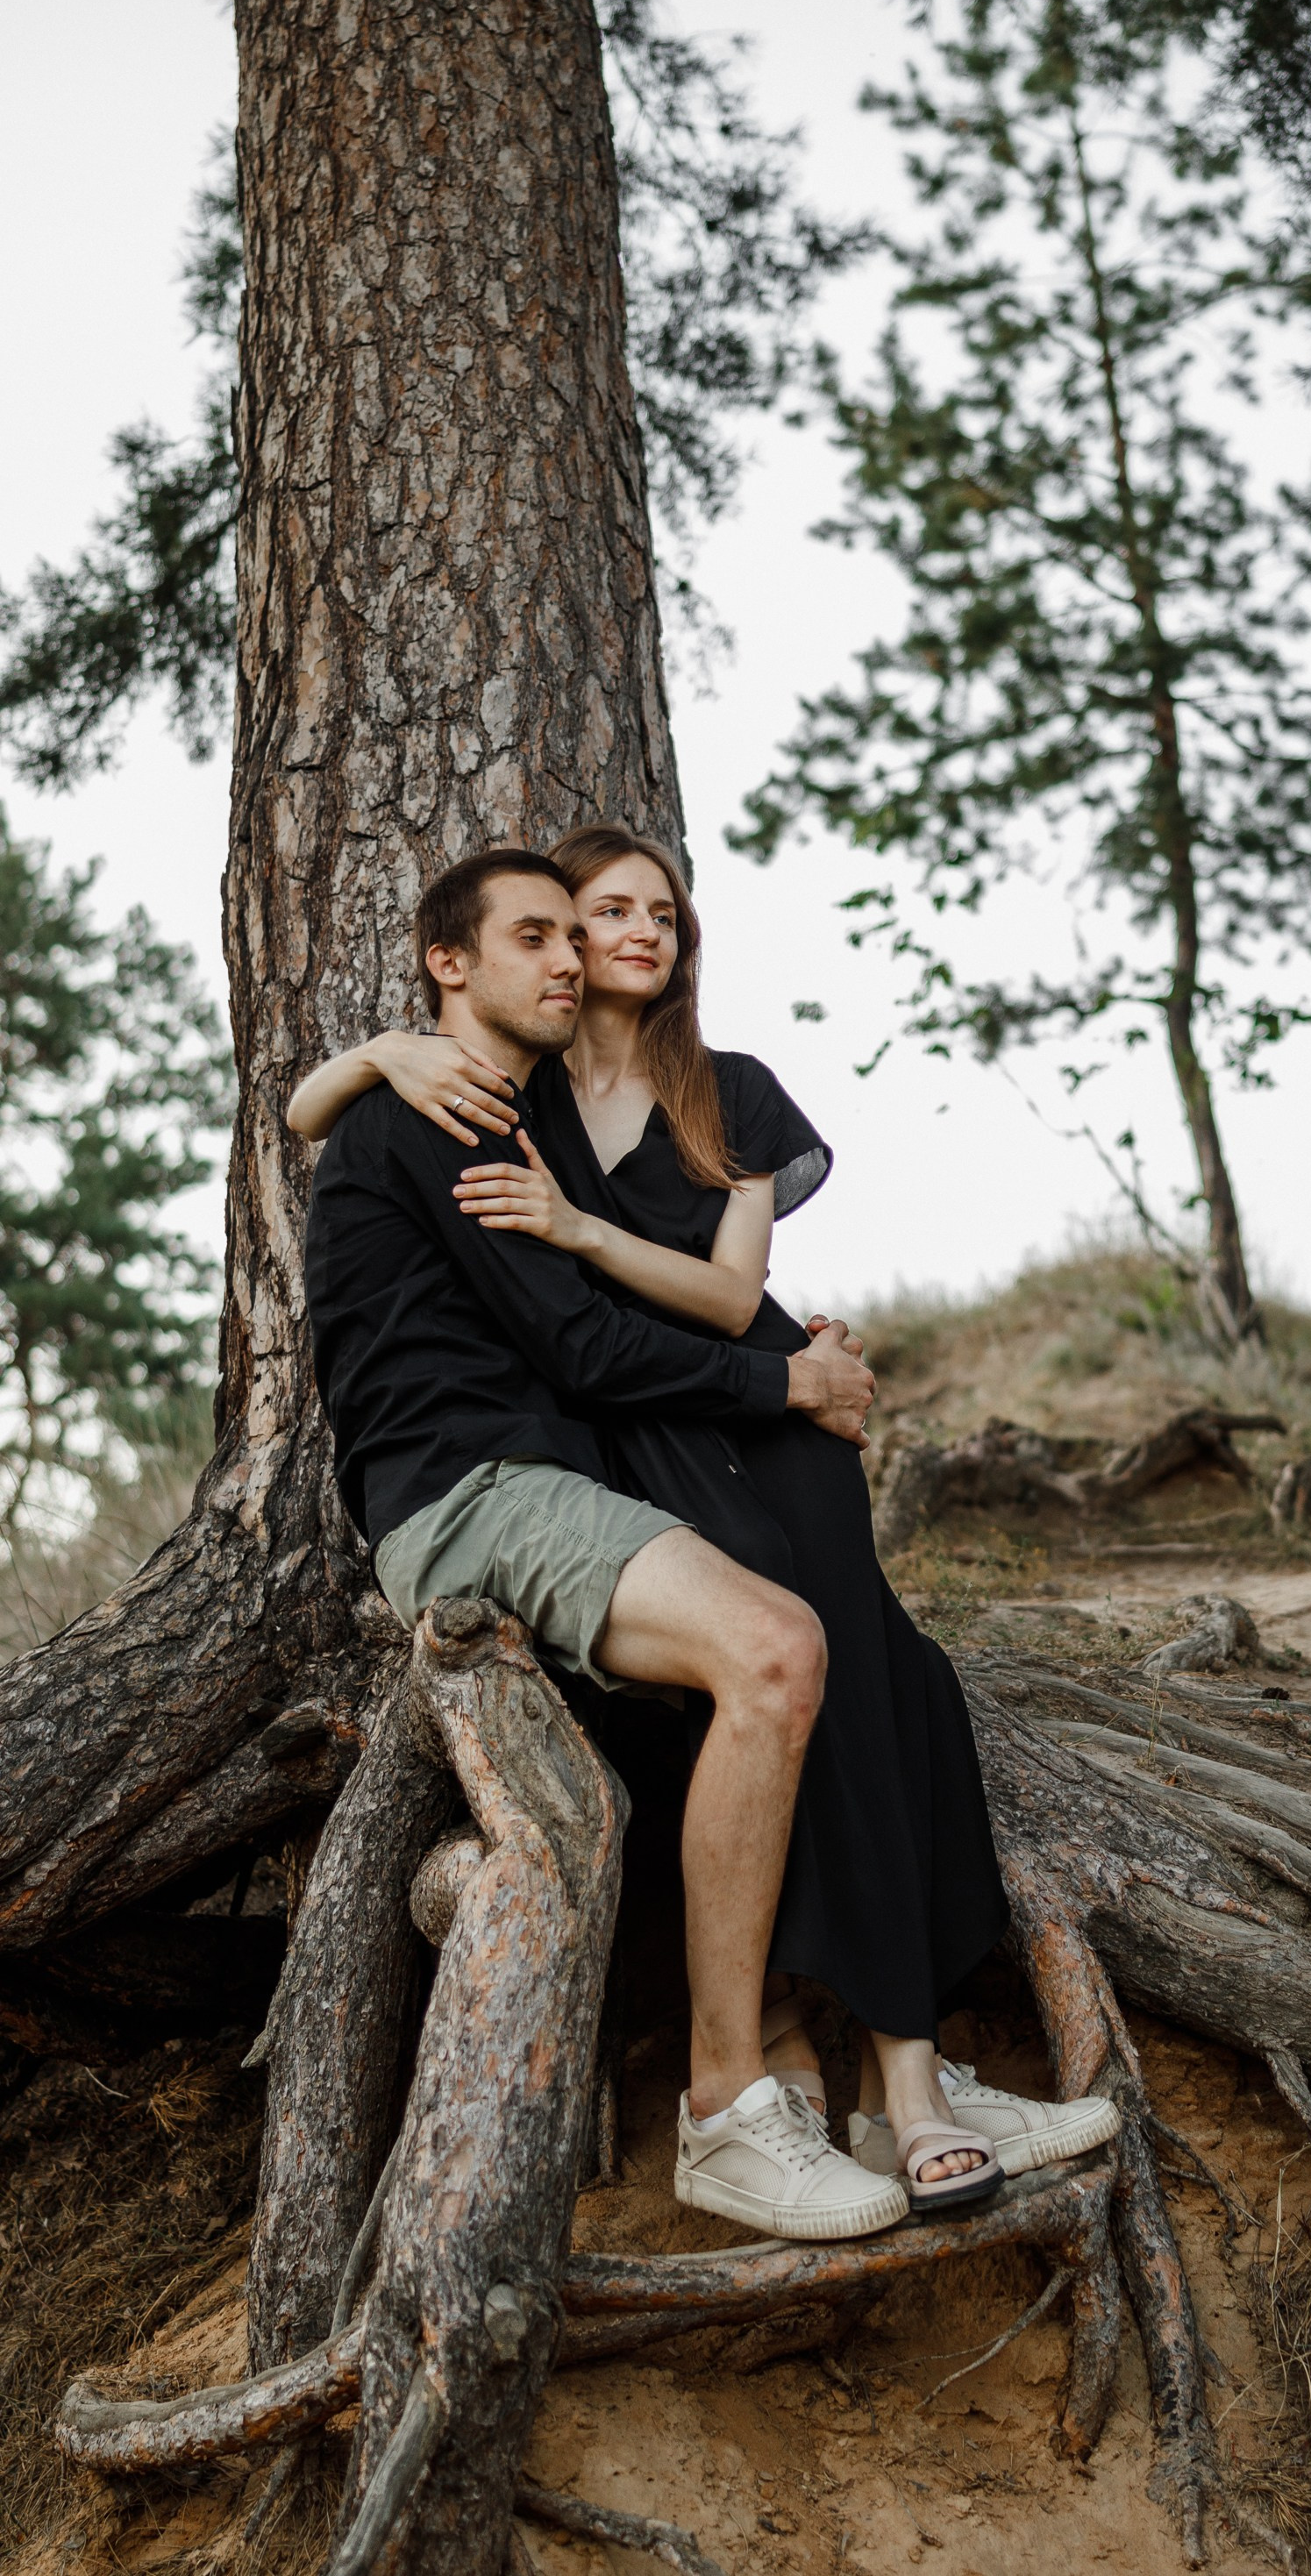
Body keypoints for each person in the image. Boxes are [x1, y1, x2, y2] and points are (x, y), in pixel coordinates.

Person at [293, 830, 1121, 2210]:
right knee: (781, 1653)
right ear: (450, 964)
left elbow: (659, 1308)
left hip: (585, 1473)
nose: (578, 953)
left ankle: (874, 2078)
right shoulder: (455, 1113)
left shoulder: (598, 1099)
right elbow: (582, 1348)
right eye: (547, 933)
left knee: (892, 1676)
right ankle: (735, 2100)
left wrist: (786, 1369)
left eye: (604, 928)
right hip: (479, 1490)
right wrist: (788, 1376)